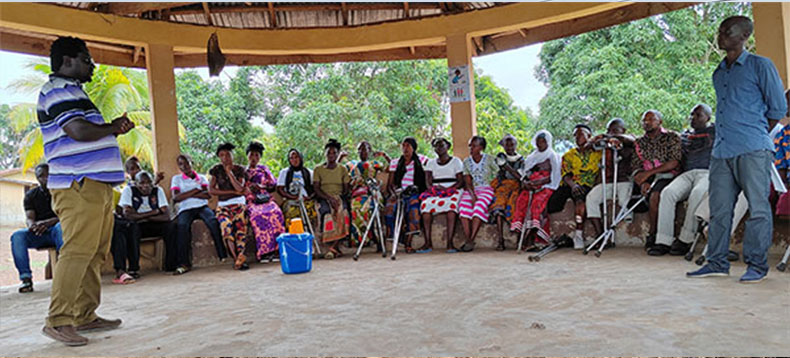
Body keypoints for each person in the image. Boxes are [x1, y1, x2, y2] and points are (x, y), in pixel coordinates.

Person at [38, 36, 134, 346]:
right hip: (77, 184)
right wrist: (114, 127)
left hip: (95, 184)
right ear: (67, 61)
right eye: (86, 59)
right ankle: (58, 320)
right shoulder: (57, 90)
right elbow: (77, 131)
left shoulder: (75, 93)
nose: (91, 65)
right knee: (78, 251)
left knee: (94, 253)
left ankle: (84, 314)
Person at [689, 16, 787, 282]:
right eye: (720, 30)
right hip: (722, 152)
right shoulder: (719, 71)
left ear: (744, 35)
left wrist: (752, 133)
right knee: (719, 210)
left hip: (753, 148)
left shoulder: (760, 66)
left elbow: (778, 109)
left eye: (726, 30)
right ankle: (717, 261)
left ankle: (757, 265)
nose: (720, 34)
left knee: (757, 208)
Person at [649, 104, 716, 256]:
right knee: (667, 193)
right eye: (692, 114)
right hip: (687, 173)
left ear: (708, 117)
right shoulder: (684, 135)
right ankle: (663, 241)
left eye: (698, 115)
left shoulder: (716, 131)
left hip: (708, 172)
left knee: (697, 194)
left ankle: (685, 240)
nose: (693, 118)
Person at [630, 110, 682, 249]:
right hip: (649, 177)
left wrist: (648, 174)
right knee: (642, 194)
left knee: (655, 195)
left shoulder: (671, 137)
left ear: (660, 122)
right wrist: (643, 180)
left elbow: (674, 162)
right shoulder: (639, 142)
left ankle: (655, 234)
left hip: (668, 175)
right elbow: (636, 166)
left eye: (651, 119)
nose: (647, 122)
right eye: (644, 120)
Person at [10, 164, 63, 293]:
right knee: (17, 236)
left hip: (58, 231)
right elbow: (29, 217)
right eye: (41, 176)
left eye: (47, 175)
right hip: (40, 233)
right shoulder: (31, 195)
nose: (45, 179)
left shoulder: (63, 192)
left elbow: (66, 216)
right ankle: (26, 280)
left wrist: (47, 223)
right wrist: (32, 226)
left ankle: (66, 275)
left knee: (61, 226)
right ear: (37, 178)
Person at [169, 154, 226, 275]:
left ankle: (222, 254)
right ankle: (184, 263)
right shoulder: (176, 179)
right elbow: (176, 197)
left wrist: (187, 194)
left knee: (212, 221)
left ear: (191, 162)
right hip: (185, 209)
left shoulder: (201, 177)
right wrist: (195, 191)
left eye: (186, 163)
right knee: (182, 226)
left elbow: (207, 195)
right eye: (180, 164)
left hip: (202, 207)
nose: (184, 166)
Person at [547, 124, 602, 249]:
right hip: (570, 184)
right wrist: (573, 185)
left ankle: (578, 234)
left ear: (589, 136)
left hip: (588, 184)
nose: (577, 137)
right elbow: (566, 175)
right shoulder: (569, 155)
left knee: (580, 198)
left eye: (581, 134)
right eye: (575, 135)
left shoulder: (598, 153)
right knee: (551, 204)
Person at [112, 171, 171, 284]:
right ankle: (133, 268)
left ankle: (171, 264)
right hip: (137, 225)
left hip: (151, 224)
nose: (146, 186)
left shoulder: (157, 190)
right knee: (132, 228)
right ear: (136, 183)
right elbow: (128, 215)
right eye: (142, 183)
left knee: (171, 227)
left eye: (149, 182)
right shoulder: (129, 190)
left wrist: (142, 216)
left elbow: (166, 216)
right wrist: (155, 212)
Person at [585, 118, 635, 245]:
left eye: (615, 130)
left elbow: (632, 140)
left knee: (624, 202)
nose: (610, 133)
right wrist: (603, 138)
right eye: (608, 130)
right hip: (607, 182)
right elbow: (587, 146)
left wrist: (613, 137)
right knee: (591, 198)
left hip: (624, 180)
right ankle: (601, 235)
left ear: (623, 130)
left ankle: (624, 223)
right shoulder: (605, 142)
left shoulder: (630, 139)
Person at [511, 130, 561, 251]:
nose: (540, 144)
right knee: (521, 201)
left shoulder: (552, 156)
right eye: (538, 141)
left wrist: (539, 183)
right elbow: (524, 173)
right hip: (530, 186)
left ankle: (534, 238)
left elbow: (554, 176)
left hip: (545, 186)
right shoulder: (532, 156)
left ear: (548, 142)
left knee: (536, 204)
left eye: (543, 141)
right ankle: (522, 237)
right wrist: (526, 183)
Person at [418, 138, 464, 253]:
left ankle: (450, 243)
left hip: (453, 189)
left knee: (451, 206)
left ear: (448, 147)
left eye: (442, 145)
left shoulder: (456, 161)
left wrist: (448, 189)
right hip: (436, 191)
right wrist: (433, 189)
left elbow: (460, 181)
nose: (439, 148)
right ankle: (428, 243)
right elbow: (428, 181)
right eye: (436, 146)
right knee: (425, 205)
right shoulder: (431, 163)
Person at [209, 142, 249, 270]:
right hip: (223, 206)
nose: (225, 158)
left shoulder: (240, 169)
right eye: (221, 155)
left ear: (232, 155)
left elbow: (241, 189)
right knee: (226, 227)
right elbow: (211, 190)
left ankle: (240, 257)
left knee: (240, 227)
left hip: (239, 204)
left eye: (227, 155)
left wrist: (230, 173)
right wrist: (231, 192)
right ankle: (236, 257)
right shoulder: (216, 170)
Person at [384, 137, 427, 254]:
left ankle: (408, 243)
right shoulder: (395, 162)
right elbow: (390, 184)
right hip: (399, 192)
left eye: (408, 146)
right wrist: (393, 193)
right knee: (390, 208)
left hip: (413, 192)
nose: (405, 148)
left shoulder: (421, 160)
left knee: (413, 209)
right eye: (403, 146)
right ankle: (394, 237)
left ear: (414, 148)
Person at [244, 141, 285, 262]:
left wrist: (261, 187)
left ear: (260, 157)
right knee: (257, 216)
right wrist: (250, 187)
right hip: (252, 199)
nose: (254, 158)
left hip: (265, 198)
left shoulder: (264, 169)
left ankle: (277, 250)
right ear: (247, 155)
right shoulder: (242, 171)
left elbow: (272, 184)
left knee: (276, 212)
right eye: (251, 154)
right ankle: (264, 252)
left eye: (257, 155)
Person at [458, 136, 499, 252]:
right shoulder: (466, 161)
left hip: (487, 189)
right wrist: (472, 195)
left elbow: (498, 175)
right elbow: (467, 181)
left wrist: (494, 186)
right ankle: (468, 239)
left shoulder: (490, 159)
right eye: (470, 145)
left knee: (478, 207)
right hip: (472, 190)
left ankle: (470, 240)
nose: (471, 148)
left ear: (481, 147)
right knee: (463, 208)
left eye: (474, 145)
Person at [343, 141, 386, 248]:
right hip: (357, 193)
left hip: (372, 191)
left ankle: (377, 239)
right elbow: (339, 170)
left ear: (370, 151)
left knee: (374, 207)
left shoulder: (375, 164)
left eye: (365, 149)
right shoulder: (351, 164)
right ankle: (359, 240)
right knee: (355, 207)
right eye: (360, 149)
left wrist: (384, 155)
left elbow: (391, 168)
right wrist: (340, 157)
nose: (362, 152)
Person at [313, 139, 352, 259]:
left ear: (337, 154)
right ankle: (333, 247)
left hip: (339, 197)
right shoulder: (318, 169)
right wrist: (329, 198)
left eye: (334, 153)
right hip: (324, 196)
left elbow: (346, 189)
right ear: (325, 154)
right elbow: (317, 189)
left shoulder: (342, 169)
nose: (331, 155)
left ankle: (333, 248)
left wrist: (338, 200)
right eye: (329, 153)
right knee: (327, 214)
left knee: (343, 212)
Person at [489, 134, 526, 251]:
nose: (509, 147)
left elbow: (520, 176)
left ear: (516, 145)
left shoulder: (521, 159)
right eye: (507, 144)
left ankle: (518, 239)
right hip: (503, 186)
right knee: (498, 207)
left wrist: (507, 167)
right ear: (503, 146)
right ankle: (501, 240)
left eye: (512, 144)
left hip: (516, 186)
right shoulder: (500, 157)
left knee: (515, 205)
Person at [277, 149, 317, 229]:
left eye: (296, 157)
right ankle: (293, 234)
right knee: (291, 213)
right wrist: (292, 197)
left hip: (306, 200)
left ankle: (309, 234)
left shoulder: (309, 172)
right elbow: (280, 189)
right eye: (291, 158)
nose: (294, 160)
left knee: (312, 212)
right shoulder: (284, 172)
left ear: (301, 158)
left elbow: (315, 189)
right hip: (291, 200)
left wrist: (309, 197)